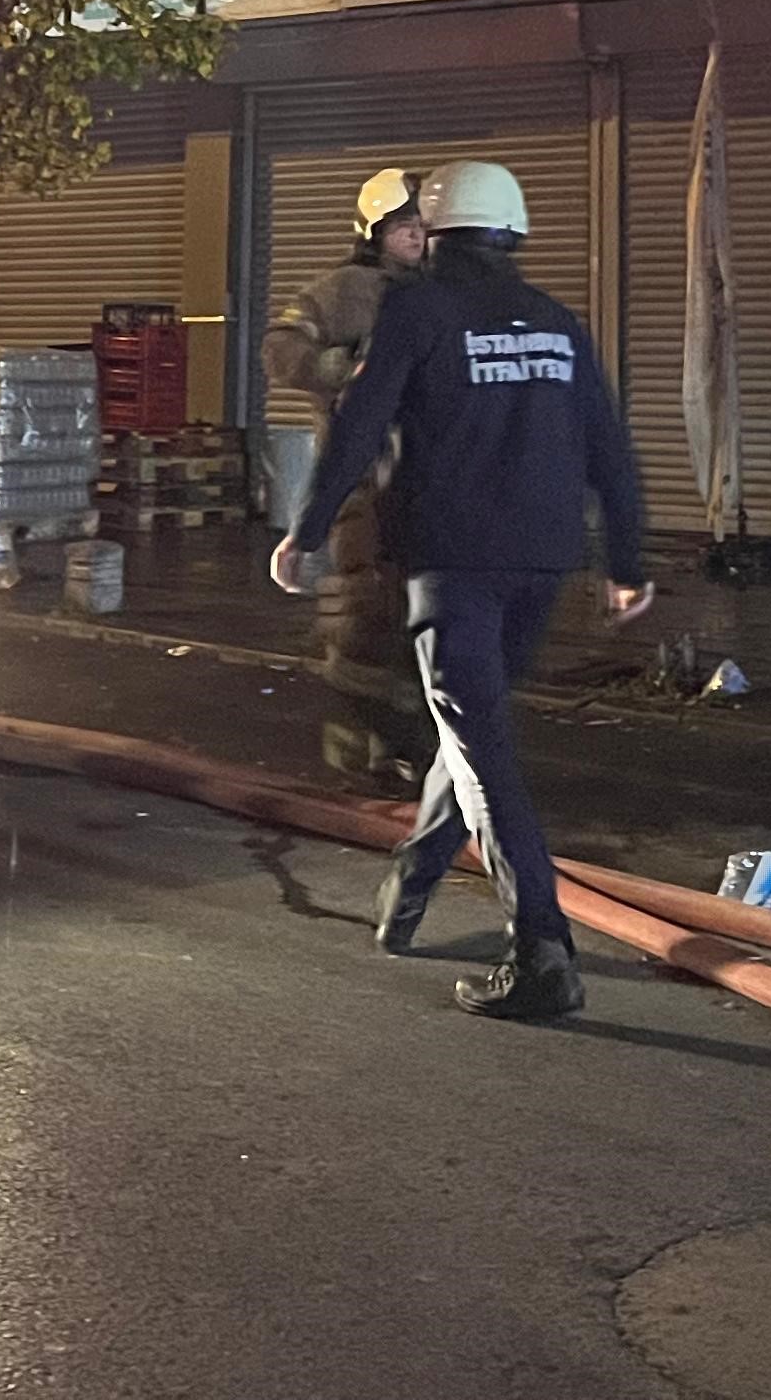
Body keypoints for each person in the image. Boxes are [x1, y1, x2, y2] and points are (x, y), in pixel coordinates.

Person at [271, 160, 651, 1021]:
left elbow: (362, 423)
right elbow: (609, 446)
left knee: (482, 746)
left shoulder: (417, 309)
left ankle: (542, 949)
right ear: (511, 230)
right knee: (467, 725)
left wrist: (308, 529)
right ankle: (410, 885)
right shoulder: (556, 322)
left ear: (432, 235)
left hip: (454, 561)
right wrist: (628, 561)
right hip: (545, 565)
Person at [265, 168, 433, 789]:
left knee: (422, 610)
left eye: (422, 227)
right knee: (367, 603)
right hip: (360, 476)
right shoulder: (340, 291)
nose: (416, 238)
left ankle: (404, 738)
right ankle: (356, 734)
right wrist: (338, 366)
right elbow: (281, 348)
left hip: (427, 478)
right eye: (404, 227)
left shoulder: (437, 293)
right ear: (376, 231)